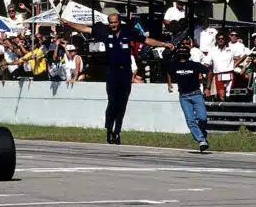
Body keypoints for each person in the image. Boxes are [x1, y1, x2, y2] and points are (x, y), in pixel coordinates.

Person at [61, 13, 173, 144]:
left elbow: (146, 40)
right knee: (113, 102)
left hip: (125, 71)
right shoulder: (104, 31)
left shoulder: (128, 31)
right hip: (112, 72)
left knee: (122, 104)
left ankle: (117, 132)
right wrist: (68, 23)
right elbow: (84, 29)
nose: (113, 25)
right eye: (111, 22)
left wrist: (164, 44)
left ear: (119, 22)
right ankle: (109, 129)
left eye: (115, 22)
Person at [165, 44, 210, 152]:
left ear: (188, 55)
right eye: (180, 54)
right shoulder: (173, 65)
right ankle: (201, 140)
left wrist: (207, 88)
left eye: (184, 54)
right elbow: (168, 71)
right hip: (184, 96)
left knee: (202, 118)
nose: (182, 56)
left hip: (196, 94)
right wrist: (169, 84)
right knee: (190, 120)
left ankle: (202, 133)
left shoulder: (194, 65)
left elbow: (209, 71)